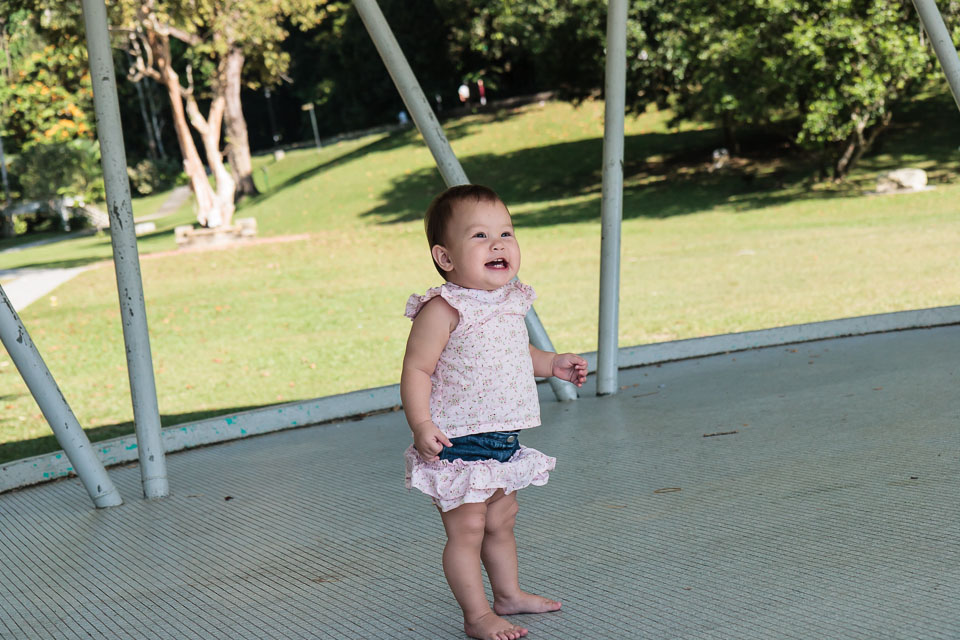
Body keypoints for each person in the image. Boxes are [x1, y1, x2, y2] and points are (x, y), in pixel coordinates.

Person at [401, 184, 588, 640]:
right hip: (457, 440)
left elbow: (516, 353)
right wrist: (421, 423)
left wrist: (552, 363)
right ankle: (478, 615)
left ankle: (508, 595)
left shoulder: (511, 301)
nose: (498, 244)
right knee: (468, 528)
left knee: (501, 522)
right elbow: (417, 369)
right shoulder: (442, 309)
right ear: (446, 257)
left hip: (504, 440)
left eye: (506, 232)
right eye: (480, 236)